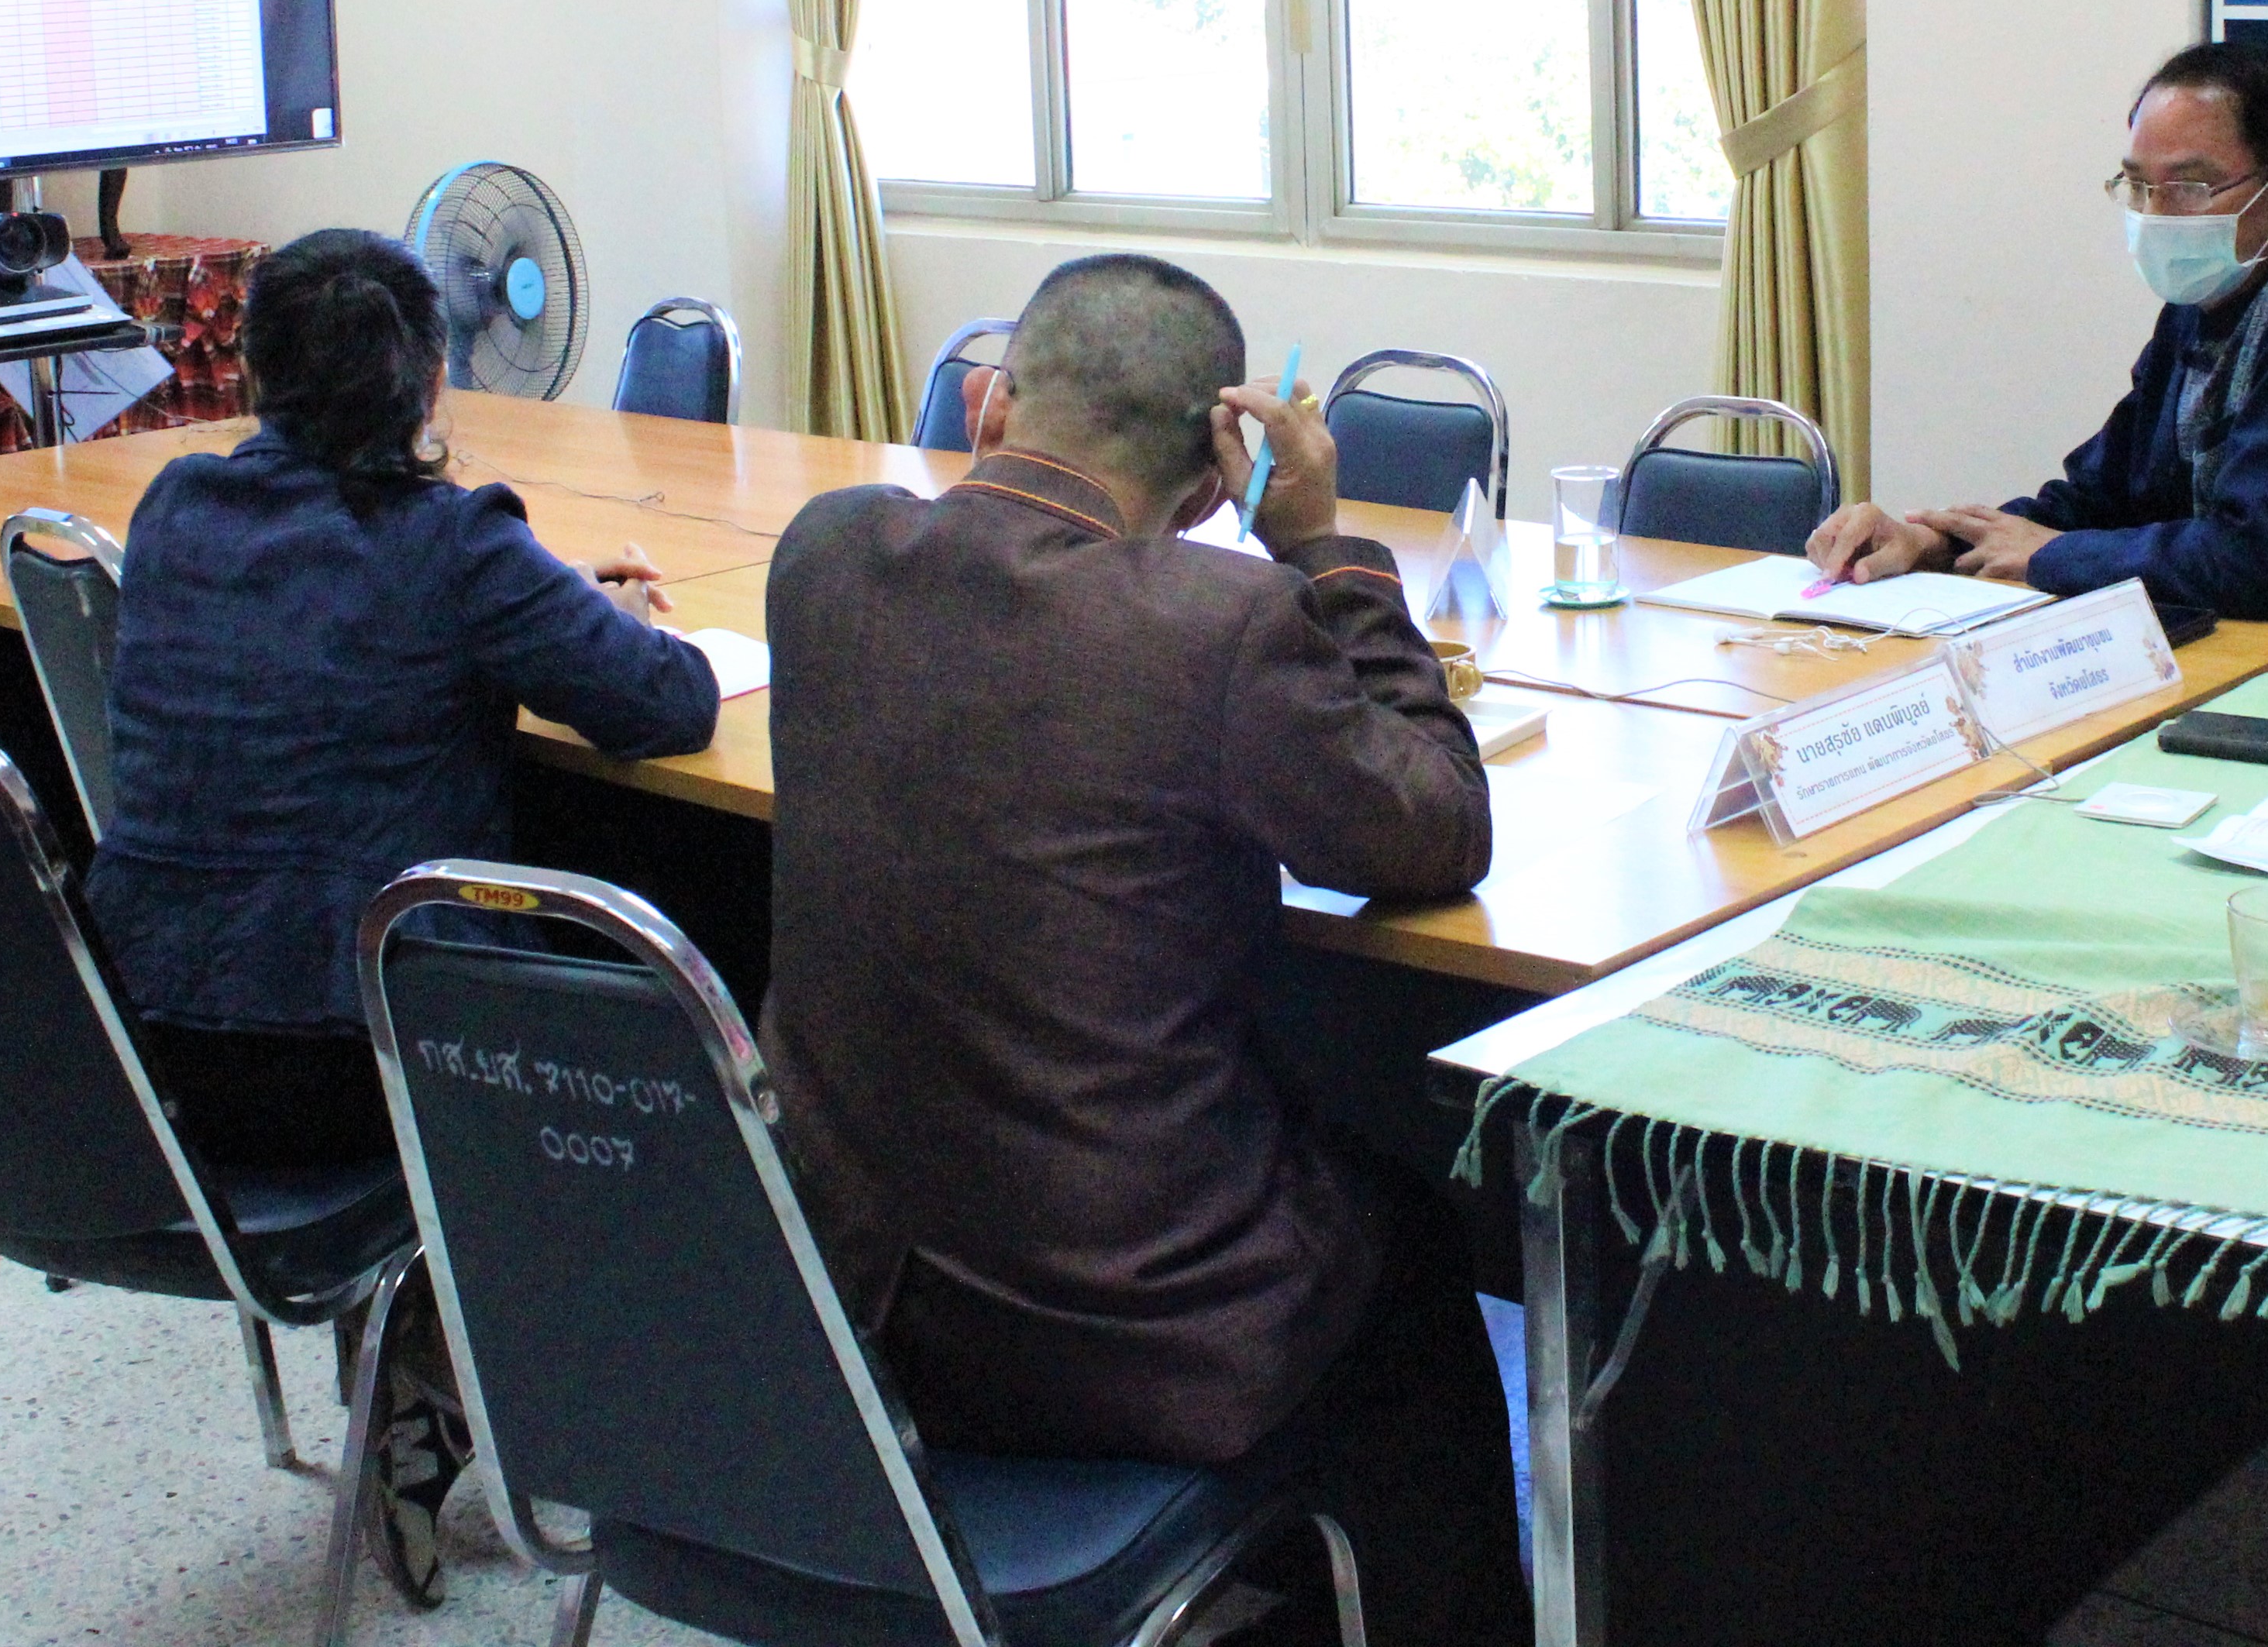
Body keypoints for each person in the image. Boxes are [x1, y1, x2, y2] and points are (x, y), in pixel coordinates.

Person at [761, 253, 1525, 1646]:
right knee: (1409, 1237)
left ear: (987, 405)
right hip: (1112, 1329)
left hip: (841, 1293)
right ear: (1209, 483)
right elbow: (1437, 828)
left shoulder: (820, 556)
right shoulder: (1216, 622)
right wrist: (1326, 549)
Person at [88, 227, 718, 1600]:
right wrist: (573, 614)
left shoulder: (176, 514)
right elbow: (661, 704)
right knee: (639, 1006)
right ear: (436, 378)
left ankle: (430, 1367)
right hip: (355, 1067)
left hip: (144, 1054)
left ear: (249, 376)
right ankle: (491, 1382)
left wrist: (544, 606)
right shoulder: (455, 545)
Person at [1808, 40, 2268, 621]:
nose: (2157, 216)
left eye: (2188, 187)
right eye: (2138, 186)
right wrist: (1935, 542)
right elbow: (2102, 494)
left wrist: (2057, 556)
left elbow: (2265, 561)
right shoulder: (2207, 294)